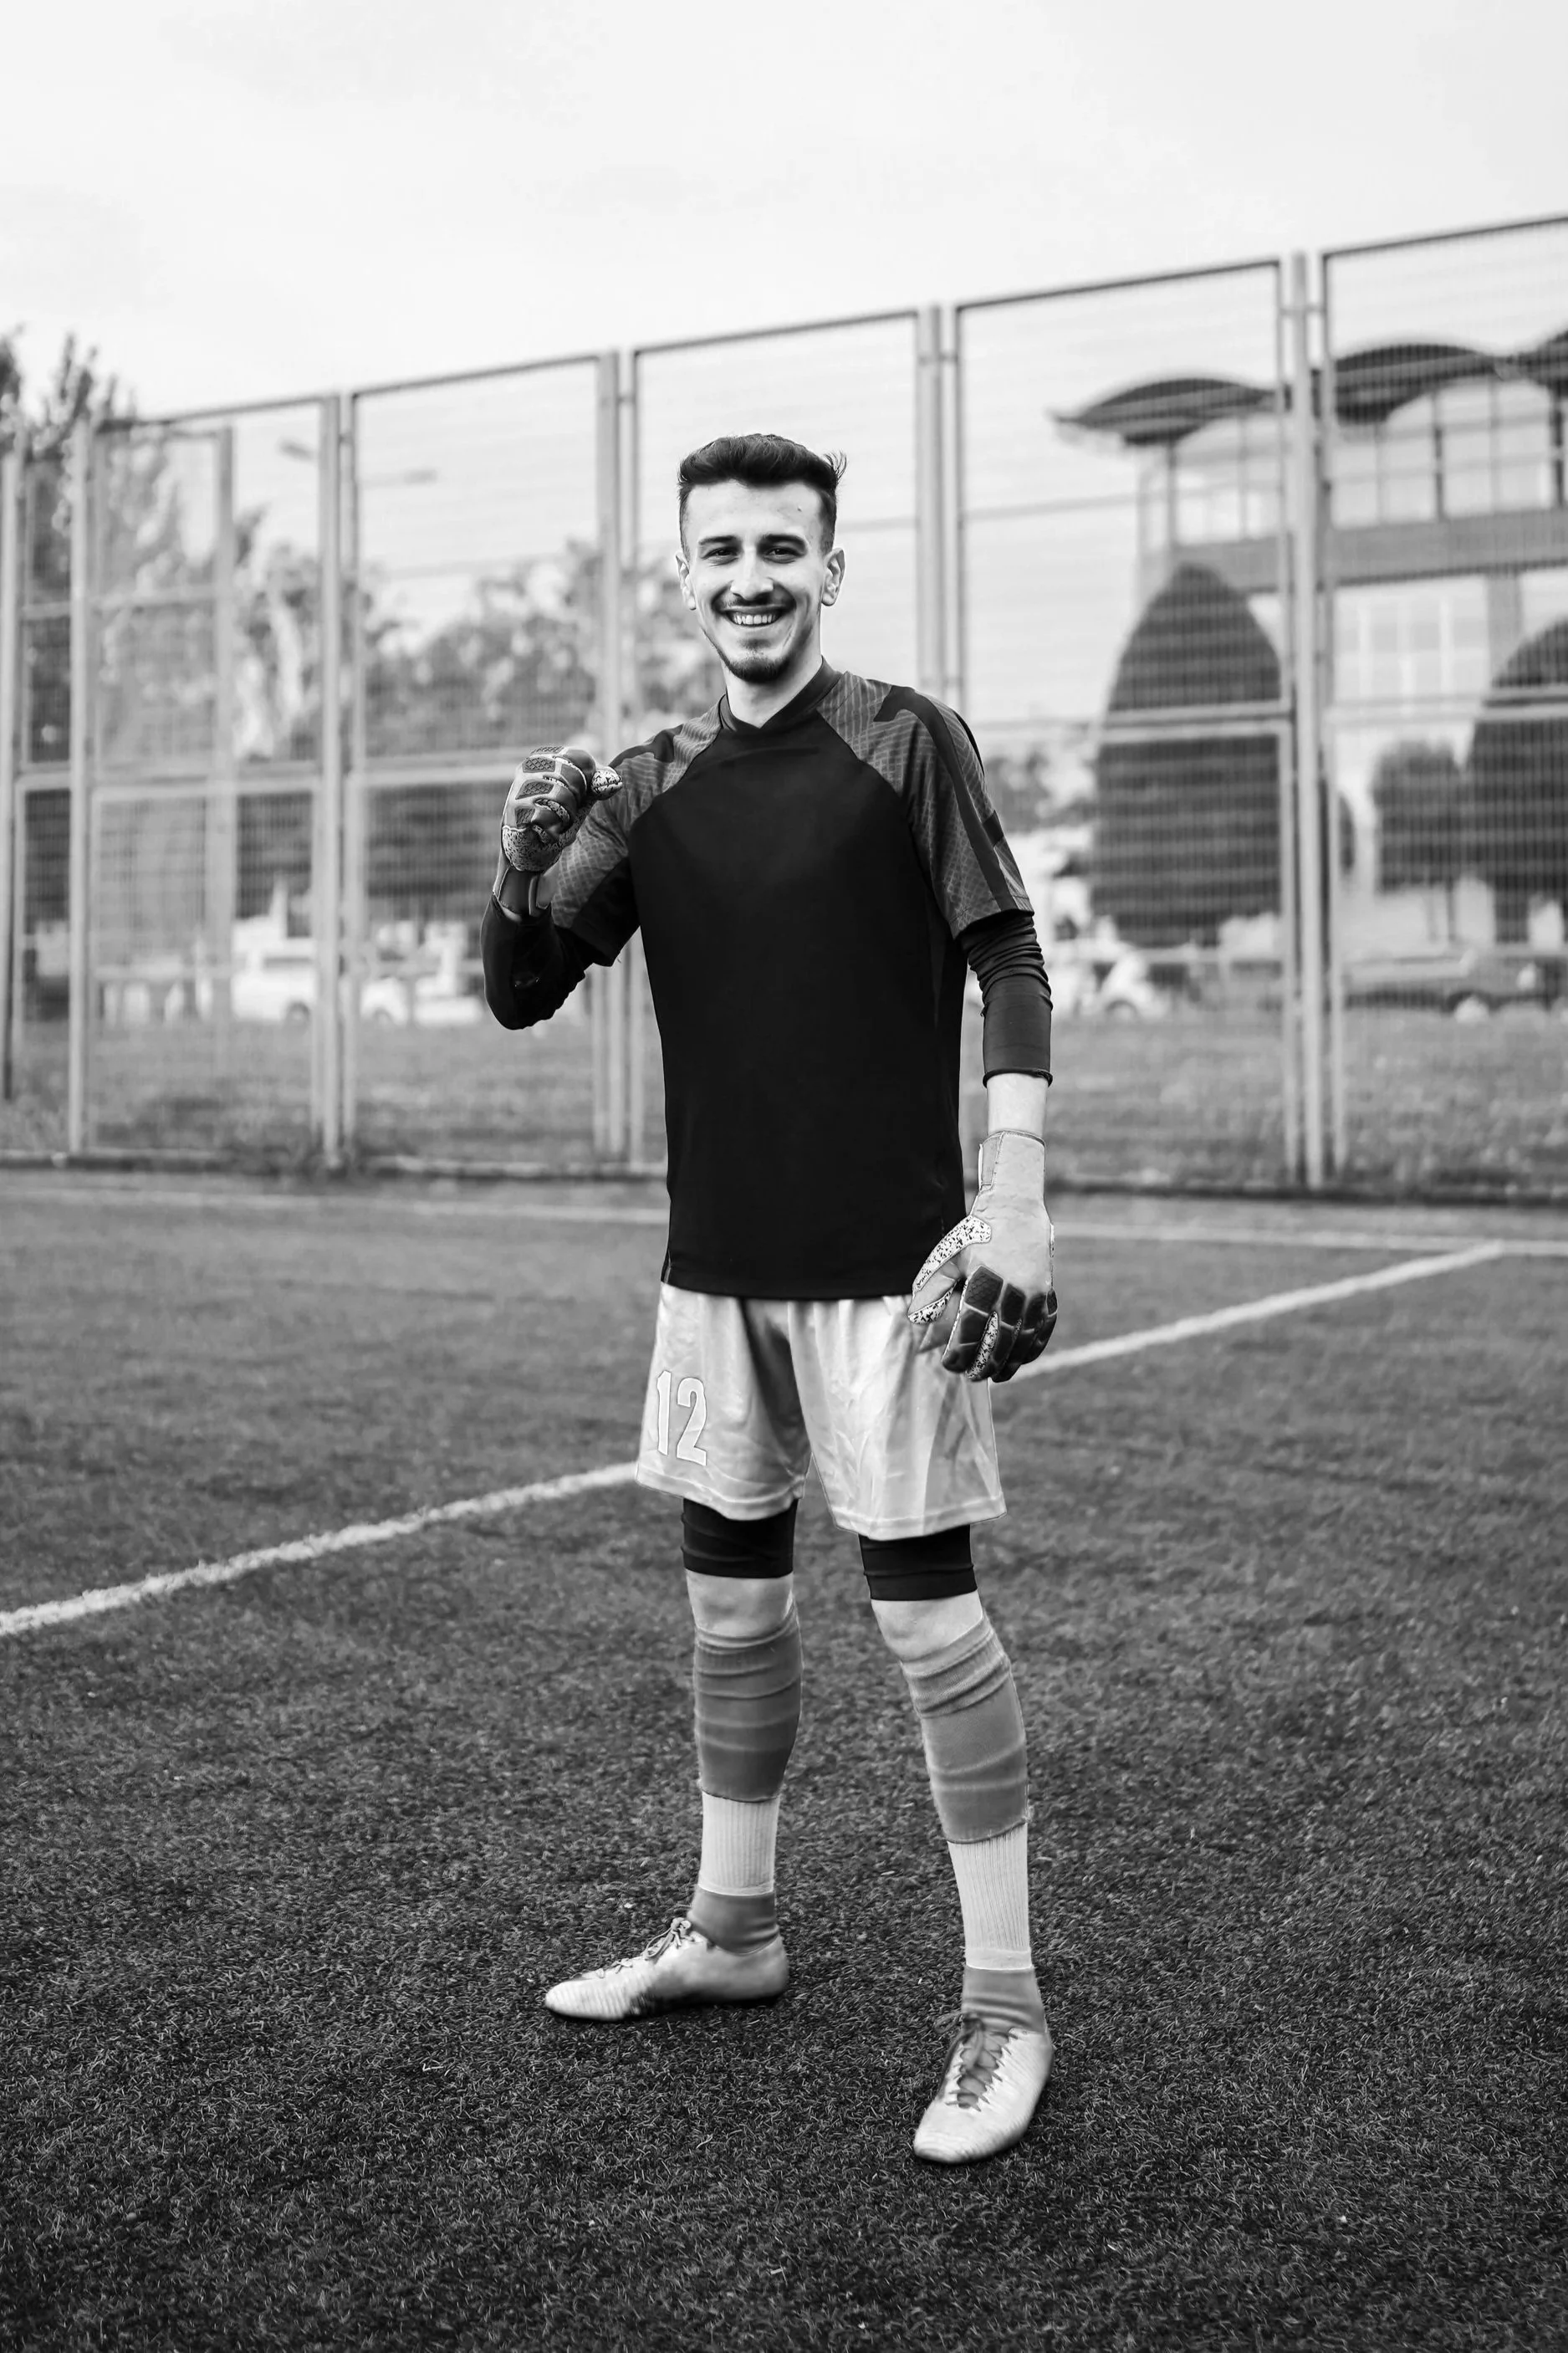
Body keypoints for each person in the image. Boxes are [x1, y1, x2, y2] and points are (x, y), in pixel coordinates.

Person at [481, 433, 1056, 2165]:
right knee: (729, 1617)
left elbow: (1007, 956)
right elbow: (524, 983)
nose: (751, 577)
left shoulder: (904, 740)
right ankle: (734, 1931)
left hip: (890, 1275)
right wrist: (515, 867)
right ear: (685, 574)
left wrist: (1015, 1192)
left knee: (929, 1631)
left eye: (781, 549)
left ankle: (1005, 2006)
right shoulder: (647, 784)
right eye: (720, 550)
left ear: (829, 566)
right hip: (712, 1269)